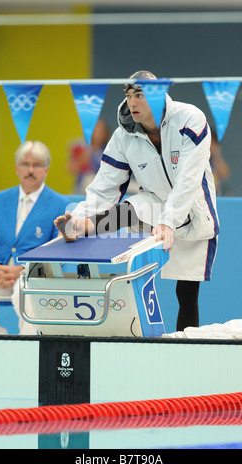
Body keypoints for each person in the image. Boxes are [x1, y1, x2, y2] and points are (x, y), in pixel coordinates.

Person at [55, 70, 219, 332]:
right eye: (129, 95)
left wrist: (168, 222)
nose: (131, 102)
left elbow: (188, 181)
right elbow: (105, 187)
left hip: (194, 207)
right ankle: (82, 226)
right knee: (128, 211)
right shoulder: (123, 136)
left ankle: (186, 350)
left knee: (186, 293)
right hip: (154, 202)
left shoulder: (190, 119)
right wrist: (80, 213)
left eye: (139, 95)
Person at [0, 141, 68, 335]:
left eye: (37, 165)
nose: (30, 170)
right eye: (25, 164)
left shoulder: (60, 204)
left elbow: (57, 252)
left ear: (46, 169)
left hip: (32, 277)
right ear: (16, 168)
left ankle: (27, 348)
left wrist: (22, 269)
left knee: (25, 293)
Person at [67, 118, 110, 194]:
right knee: (88, 180)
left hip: (104, 187)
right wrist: (85, 156)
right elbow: (71, 169)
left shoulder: (110, 149)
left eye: (100, 131)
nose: (97, 133)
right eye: (95, 130)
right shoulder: (80, 147)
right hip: (82, 186)